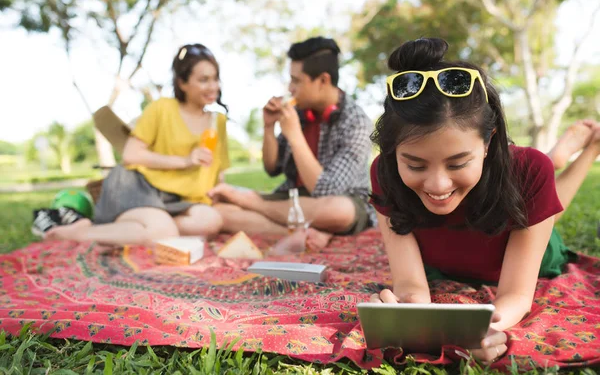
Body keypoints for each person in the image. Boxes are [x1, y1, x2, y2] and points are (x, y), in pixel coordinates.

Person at [368, 38, 600, 364]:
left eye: (457, 163)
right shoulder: (384, 171)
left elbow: (516, 295)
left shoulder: (527, 169)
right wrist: (407, 315)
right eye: (415, 165)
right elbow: (410, 284)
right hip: (449, 254)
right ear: (393, 152)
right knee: (531, 183)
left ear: (489, 142)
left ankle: (588, 150)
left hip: (520, 240)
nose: (437, 184)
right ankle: (553, 159)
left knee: (534, 186)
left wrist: (489, 330)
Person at [44, 44, 230, 246]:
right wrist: (185, 160)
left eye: (215, 78)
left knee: (211, 221)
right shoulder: (163, 108)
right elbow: (131, 155)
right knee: (165, 233)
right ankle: (81, 233)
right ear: (182, 83)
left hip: (175, 199)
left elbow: (217, 172)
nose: (213, 87)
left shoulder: (217, 121)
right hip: (137, 183)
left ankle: (142, 230)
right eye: (204, 80)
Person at [209, 36, 376, 251]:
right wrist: (269, 128)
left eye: (297, 81)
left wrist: (295, 136)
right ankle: (314, 230)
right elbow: (272, 168)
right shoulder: (298, 112)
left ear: (323, 80)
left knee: (340, 211)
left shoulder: (357, 122)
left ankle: (260, 207)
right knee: (220, 209)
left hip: (334, 201)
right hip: (293, 199)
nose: (290, 88)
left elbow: (325, 191)